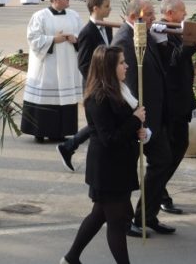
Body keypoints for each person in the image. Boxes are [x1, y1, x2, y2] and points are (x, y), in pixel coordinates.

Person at [61, 45, 147, 264]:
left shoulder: (120, 90)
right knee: (116, 224)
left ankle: (71, 258)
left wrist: (141, 132)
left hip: (120, 166)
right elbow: (109, 138)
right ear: (108, 67)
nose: (126, 66)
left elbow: (126, 128)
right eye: (121, 62)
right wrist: (135, 120)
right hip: (108, 170)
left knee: (99, 215)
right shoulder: (98, 98)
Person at [112, 0, 175, 237]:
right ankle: (127, 221)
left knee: (163, 161)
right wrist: (141, 122)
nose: (152, 18)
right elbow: (129, 86)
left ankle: (147, 216)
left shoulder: (144, 34)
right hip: (137, 120)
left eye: (152, 14)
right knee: (128, 172)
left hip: (155, 117)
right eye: (147, 14)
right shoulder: (124, 41)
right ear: (132, 16)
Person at [56, 0, 112, 171]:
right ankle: (70, 149)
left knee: (98, 125)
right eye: (106, 6)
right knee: (97, 126)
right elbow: (83, 63)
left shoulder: (108, 26)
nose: (109, 9)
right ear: (95, 8)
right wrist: (99, 80)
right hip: (94, 85)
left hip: (107, 84)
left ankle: (69, 147)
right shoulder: (88, 32)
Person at [21, 0, 83, 142]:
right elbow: (33, 39)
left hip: (67, 66)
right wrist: (53, 40)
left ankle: (61, 132)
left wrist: (75, 39)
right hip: (47, 66)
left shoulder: (74, 15)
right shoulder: (40, 16)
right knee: (45, 97)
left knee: (64, 98)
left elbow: (82, 36)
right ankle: (39, 132)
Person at [155, 0, 196, 215]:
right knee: (172, 149)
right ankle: (158, 190)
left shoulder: (175, 29)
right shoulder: (161, 31)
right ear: (170, 12)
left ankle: (158, 187)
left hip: (181, 102)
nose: (186, 15)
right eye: (182, 11)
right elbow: (172, 62)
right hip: (171, 105)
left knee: (179, 146)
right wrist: (191, 43)